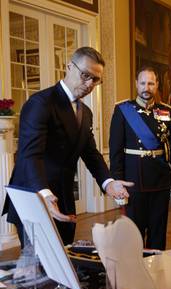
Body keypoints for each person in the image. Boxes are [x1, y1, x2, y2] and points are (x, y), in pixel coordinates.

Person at [3, 47, 133, 246]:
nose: (90, 84)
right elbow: (30, 155)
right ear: (69, 67)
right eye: (85, 75)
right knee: (38, 268)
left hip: (63, 196)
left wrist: (108, 183)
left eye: (95, 79)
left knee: (64, 256)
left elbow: (90, 153)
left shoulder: (85, 112)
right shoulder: (41, 103)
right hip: (35, 195)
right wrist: (44, 195)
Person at [109, 66, 171, 250]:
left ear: (157, 85)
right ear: (136, 84)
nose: (147, 87)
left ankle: (156, 272)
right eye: (143, 83)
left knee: (158, 232)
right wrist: (117, 182)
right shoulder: (123, 110)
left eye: (151, 83)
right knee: (133, 233)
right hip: (133, 181)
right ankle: (135, 273)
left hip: (160, 181)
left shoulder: (166, 112)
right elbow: (115, 151)